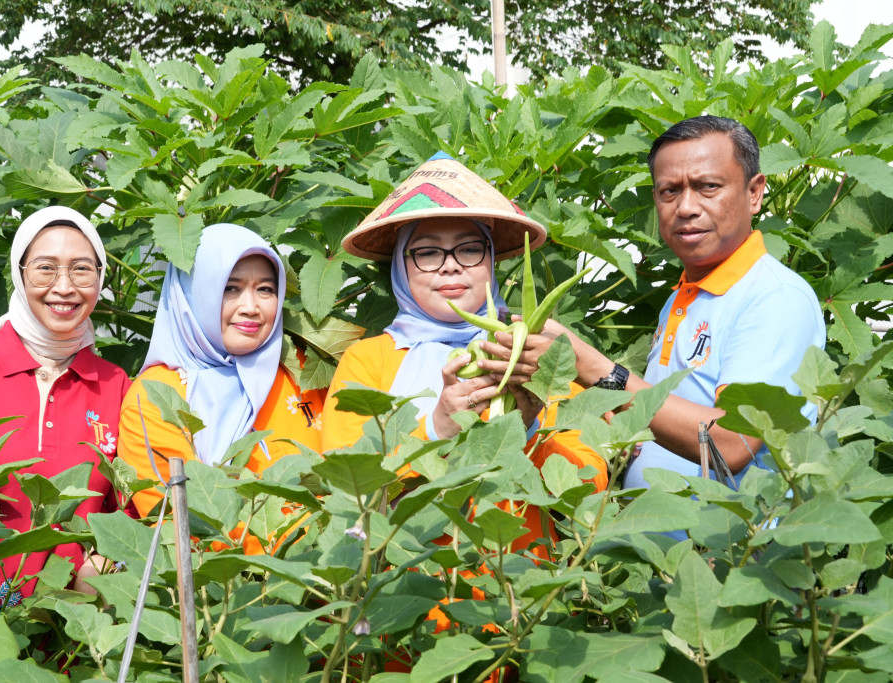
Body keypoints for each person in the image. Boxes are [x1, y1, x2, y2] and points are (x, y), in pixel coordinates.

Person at [324, 152, 608, 545]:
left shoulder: (532, 352)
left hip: (521, 573)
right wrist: (437, 427)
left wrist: (527, 431)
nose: (450, 266)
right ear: (400, 268)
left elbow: (591, 488)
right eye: (427, 252)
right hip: (408, 578)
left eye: (470, 249)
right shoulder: (369, 360)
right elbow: (343, 492)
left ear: (490, 259)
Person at [539, 115, 825, 490]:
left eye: (708, 186)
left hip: (731, 528)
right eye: (669, 191)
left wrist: (596, 370)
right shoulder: (683, 294)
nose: (686, 207)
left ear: (754, 193)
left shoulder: (775, 298)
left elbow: (733, 443)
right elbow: (666, 411)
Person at [0, 206, 131, 611]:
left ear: (100, 276)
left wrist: (105, 567)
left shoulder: (114, 384)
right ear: (20, 274)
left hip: (73, 626)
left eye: (82, 270)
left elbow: (126, 509)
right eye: (45, 269)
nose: (64, 287)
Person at [117, 224, 324, 552]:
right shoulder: (157, 396)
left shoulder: (303, 370)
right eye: (231, 288)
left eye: (266, 289)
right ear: (194, 292)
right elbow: (181, 524)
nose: (251, 307)